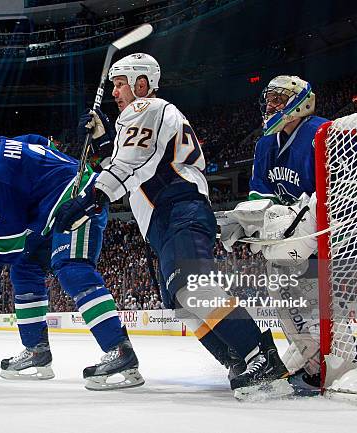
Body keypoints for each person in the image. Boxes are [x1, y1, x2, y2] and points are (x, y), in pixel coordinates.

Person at [55, 53, 289, 399]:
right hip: (166, 219)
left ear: (142, 84)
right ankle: (239, 358)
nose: (115, 91)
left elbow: (129, 164)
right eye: (114, 84)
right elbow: (132, 166)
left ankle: (260, 355)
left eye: (120, 83)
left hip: (180, 208)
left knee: (192, 287)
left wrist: (92, 197)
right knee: (182, 301)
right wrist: (105, 140)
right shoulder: (138, 120)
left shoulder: (146, 107)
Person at [0, 112, 144, 391]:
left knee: (71, 268)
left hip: (79, 199)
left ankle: (120, 351)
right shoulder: (5, 145)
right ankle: (36, 351)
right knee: (23, 266)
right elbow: (40, 142)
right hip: (53, 212)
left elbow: (7, 238)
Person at [219, 75, 357, 395]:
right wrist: (243, 220)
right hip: (289, 234)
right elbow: (260, 197)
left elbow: (356, 178)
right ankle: (329, 360)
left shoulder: (322, 133)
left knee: (314, 301)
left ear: (301, 103)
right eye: (269, 99)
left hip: (325, 228)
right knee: (288, 298)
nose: (270, 106)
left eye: (278, 99)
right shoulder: (265, 144)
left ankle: (336, 361)